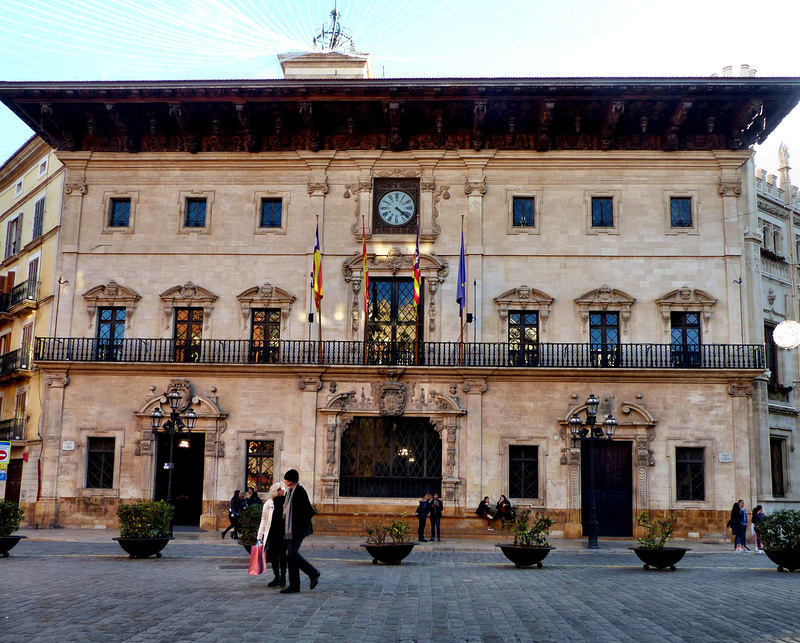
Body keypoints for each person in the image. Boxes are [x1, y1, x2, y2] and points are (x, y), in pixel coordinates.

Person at [280, 469, 320, 594]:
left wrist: (298, 523)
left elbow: (307, 510)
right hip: (289, 530)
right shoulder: (289, 492)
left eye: (286, 479)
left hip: (297, 529)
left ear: (291, 480)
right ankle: (294, 586)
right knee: (290, 556)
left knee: (292, 555)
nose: (285, 481)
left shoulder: (300, 491)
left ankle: (313, 573)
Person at [257, 482, 287, 587]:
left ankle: (283, 577)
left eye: (283, 489)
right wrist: (259, 536)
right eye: (280, 489)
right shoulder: (269, 504)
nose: (282, 491)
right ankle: (276, 576)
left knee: (283, 555)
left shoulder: (286, 503)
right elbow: (264, 520)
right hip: (272, 532)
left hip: (283, 533)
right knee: (274, 556)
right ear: (275, 491)